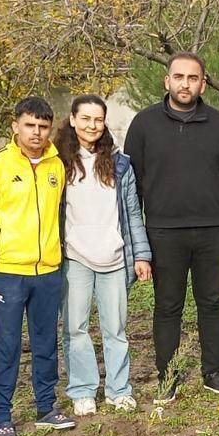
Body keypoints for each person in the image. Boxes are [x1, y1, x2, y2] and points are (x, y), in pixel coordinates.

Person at [125, 53, 219, 397]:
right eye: (178, 77)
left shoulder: (218, 125)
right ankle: (167, 377)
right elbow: (133, 185)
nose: (185, 84)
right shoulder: (144, 124)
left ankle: (212, 372)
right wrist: (138, 238)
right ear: (167, 81)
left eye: (192, 78)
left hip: (212, 231)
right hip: (163, 232)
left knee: (211, 302)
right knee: (167, 306)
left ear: (203, 83)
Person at [55, 95, 152, 415]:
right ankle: (82, 389)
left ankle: (118, 389)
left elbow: (133, 215)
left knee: (116, 329)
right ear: (72, 119)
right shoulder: (58, 162)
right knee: (76, 328)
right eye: (85, 119)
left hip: (113, 258)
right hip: (75, 258)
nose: (92, 125)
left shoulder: (120, 163)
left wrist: (142, 254)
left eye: (98, 120)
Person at [0, 97, 74, 436]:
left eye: (43, 126)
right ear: (15, 126)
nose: (36, 133)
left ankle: (46, 407)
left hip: (48, 269)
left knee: (45, 341)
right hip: (8, 270)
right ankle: (2, 415)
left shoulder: (57, 164)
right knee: (6, 344)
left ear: (50, 128)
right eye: (29, 125)